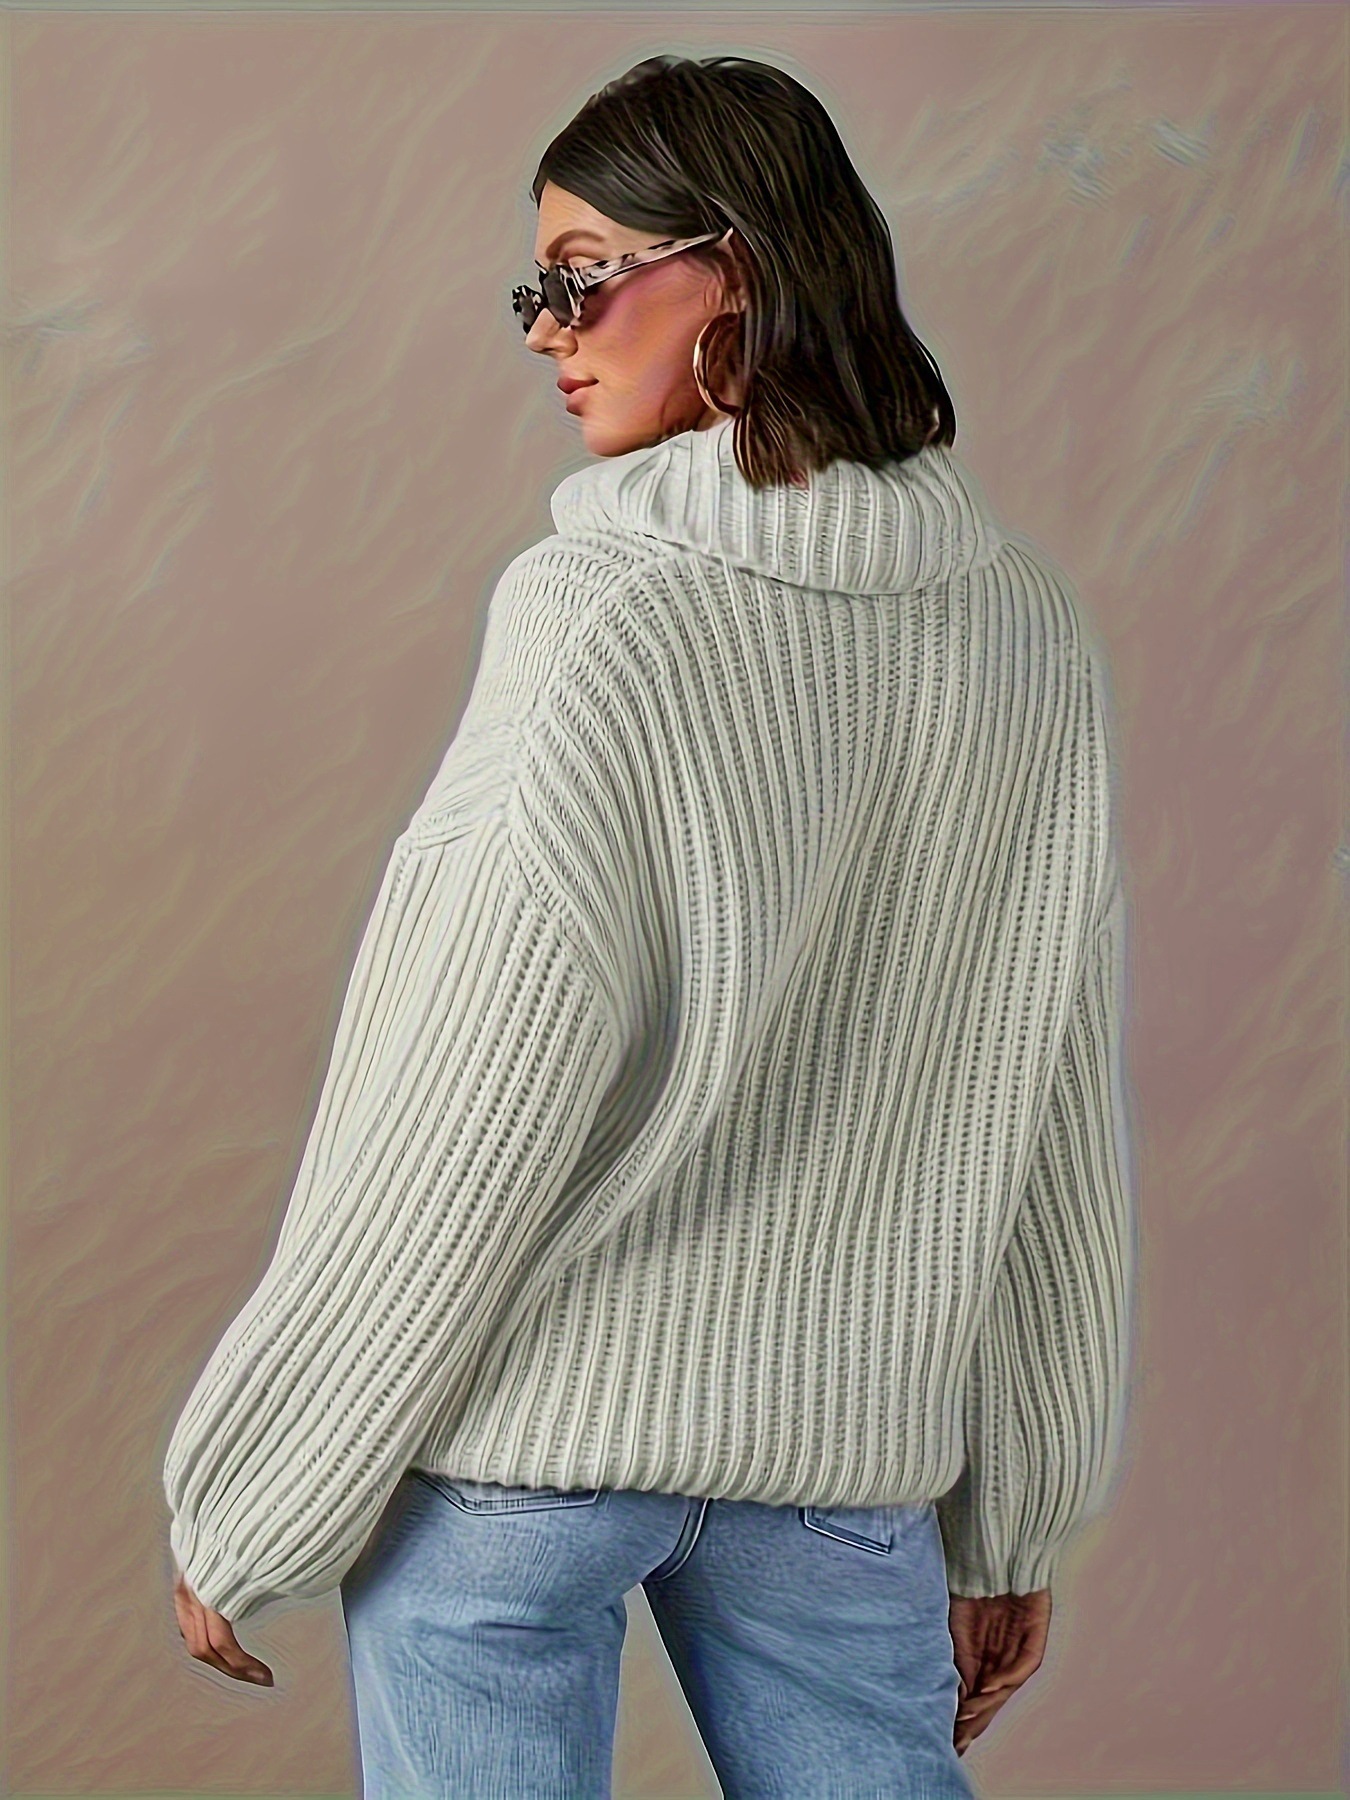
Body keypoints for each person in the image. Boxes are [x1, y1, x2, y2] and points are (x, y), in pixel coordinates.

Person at [164, 53, 1138, 1799]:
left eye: (583, 274)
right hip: (845, 1461)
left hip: (525, 1456)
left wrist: (262, 1483)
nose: (546, 330)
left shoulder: (596, 611)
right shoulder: (1028, 628)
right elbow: (1046, 1090)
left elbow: (459, 1089)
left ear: (736, 268)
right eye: (535, 289)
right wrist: (1015, 1510)